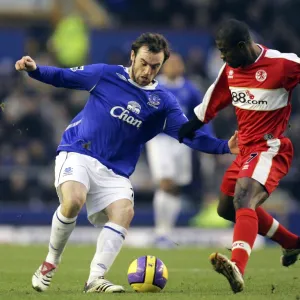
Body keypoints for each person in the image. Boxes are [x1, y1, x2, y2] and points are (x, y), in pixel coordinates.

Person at [15, 33, 239, 293]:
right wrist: (35, 70)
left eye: (155, 66)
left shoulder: (163, 102)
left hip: (116, 171)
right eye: (144, 62)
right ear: (133, 56)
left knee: (124, 212)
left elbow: (188, 134)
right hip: (79, 151)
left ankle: (95, 279)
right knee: (73, 200)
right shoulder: (105, 74)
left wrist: (224, 146)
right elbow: (64, 77)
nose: (147, 71)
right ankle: (50, 263)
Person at [179, 19, 300, 293]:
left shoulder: (283, 64)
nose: (221, 56)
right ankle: (291, 242)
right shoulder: (230, 69)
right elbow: (212, 101)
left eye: (225, 50)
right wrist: (185, 128)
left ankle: (237, 266)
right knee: (226, 208)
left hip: (270, 148)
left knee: (244, 198)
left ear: (243, 46)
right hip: (244, 150)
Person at [146, 53, 213, 247]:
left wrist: (207, 139)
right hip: (159, 140)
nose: (175, 67)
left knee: (175, 188)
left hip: (182, 142)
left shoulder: (190, 89)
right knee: (165, 182)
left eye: (178, 63)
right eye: (171, 64)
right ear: (163, 67)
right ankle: (160, 231)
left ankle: (166, 231)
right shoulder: (155, 87)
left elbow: (202, 115)